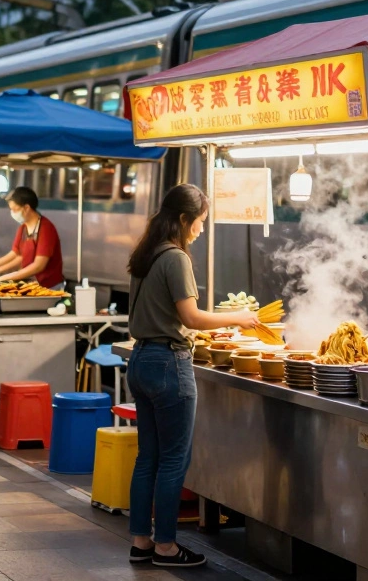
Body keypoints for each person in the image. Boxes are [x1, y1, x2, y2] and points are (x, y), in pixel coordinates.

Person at [125, 184, 259, 569]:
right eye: (199, 222)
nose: (201, 229)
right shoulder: (175, 257)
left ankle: (141, 541)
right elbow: (190, 317)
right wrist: (239, 318)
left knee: (147, 457)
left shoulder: (144, 254)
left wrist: (200, 329)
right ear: (183, 220)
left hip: (141, 360)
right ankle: (166, 547)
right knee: (173, 461)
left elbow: (166, 314)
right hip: (169, 364)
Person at [0, 187, 65, 289]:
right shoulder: (23, 228)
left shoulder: (46, 229)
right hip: (30, 283)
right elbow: (16, 255)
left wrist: (5, 278)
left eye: (15, 209)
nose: (13, 213)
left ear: (26, 208)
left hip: (48, 286)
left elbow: (39, 265)